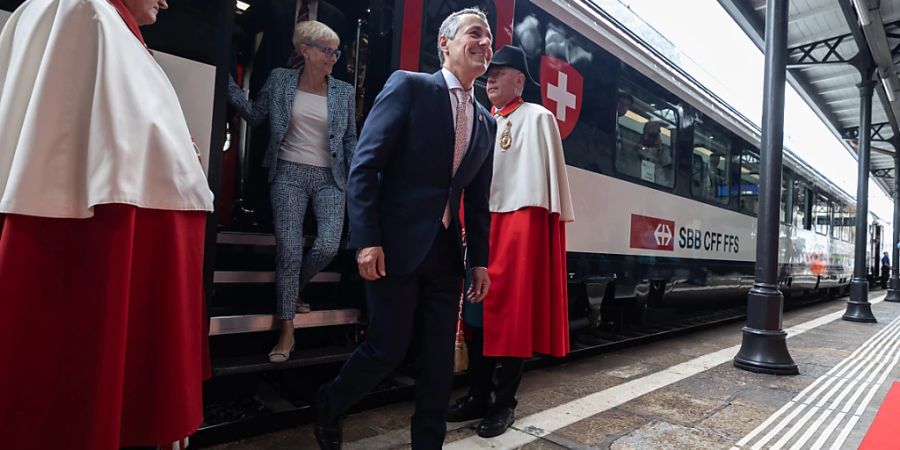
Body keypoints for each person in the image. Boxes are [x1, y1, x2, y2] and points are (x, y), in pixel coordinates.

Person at [0, 1, 214, 449]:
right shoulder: (83, 11)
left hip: (121, 231)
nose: (166, 2)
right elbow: (73, 153)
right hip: (90, 242)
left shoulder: (112, 24)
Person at [314, 8, 496, 449]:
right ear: (445, 43)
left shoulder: (487, 123)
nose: (485, 44)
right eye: (476, 34)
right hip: (394, 246)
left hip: (446, 254)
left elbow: (477, 201)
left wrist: (480, 263)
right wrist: (367, 240)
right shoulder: (409, 87)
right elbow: (365, 165)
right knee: (387, 347)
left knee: (437, 361)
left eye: (489, 39)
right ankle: (330, 403)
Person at [446, 45, 575, 438]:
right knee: (476, 318)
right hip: (482, 227)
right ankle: (478, 395)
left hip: (518, 226)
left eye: (501, 73)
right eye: (490, 73)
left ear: (520, 80)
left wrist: (527, 239)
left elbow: (541, 191)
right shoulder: (481, 118)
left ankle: (505, 405)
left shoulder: (538, 118)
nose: (492, 79)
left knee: (511, 319)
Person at [227, 20, 357, 363]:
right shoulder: (280, 80)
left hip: (331, 177)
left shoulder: (343, 91)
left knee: (328, 244)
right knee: (289, 249)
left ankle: (291, 290)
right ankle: (286, 331)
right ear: (306, 50)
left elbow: (349, 141)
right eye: (327, 50)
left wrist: (361, 176)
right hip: (288, 172)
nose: (334, 57)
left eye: (336, 51)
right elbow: (256, 116)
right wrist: (224, 82)